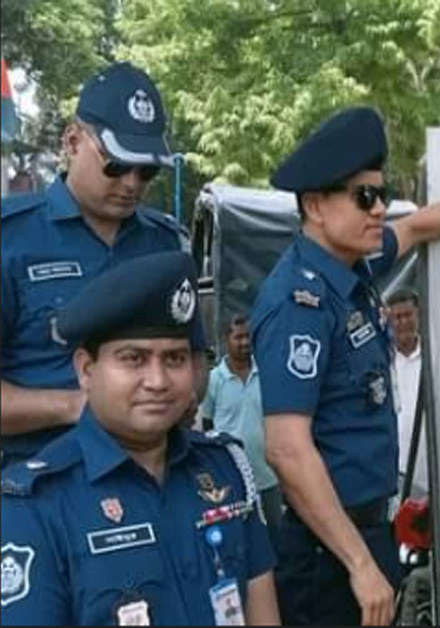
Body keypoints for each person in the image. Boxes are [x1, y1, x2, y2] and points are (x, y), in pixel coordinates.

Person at [252, 106, 440, 626]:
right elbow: (286, 449)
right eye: (365, 197)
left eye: (381, 195)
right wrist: (360, 566)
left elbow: (415, 227)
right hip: (330, 556)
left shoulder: (350, 266)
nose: (379, 208)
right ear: (316, 205)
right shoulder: (300, 302)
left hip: (366, 537)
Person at [0, 251, 278, 625]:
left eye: (175, 359)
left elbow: (262, 612)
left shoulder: (225, 468)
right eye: (134, 358)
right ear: (86, 369)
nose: (158, 381)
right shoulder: (34, 505)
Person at [1, 61, 207, 472]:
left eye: (146, 170)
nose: (131, 182)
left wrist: (181, 396)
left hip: (151, 477)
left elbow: (194, 358)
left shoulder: (164, 242)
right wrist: (75, 406)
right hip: (41, 487)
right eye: (116, 164)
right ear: (73, 141)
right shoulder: (11, 240)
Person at [199, 314, 283, 547]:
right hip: (231, 477)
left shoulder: (266, 374)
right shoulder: (214, 379)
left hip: (268, 476)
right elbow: (207, 426)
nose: (245, 342)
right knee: (240, 538)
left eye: (248, 336)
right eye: (239, 337)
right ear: (227, 339)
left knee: (277, 537)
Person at [387, 289, 427, 504]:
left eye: (408, 315)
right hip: (396, 472)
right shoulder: (383, 362)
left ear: (418, 315)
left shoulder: (435, 356)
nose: (403, 323)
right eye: (397, 317)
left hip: (429, 471)